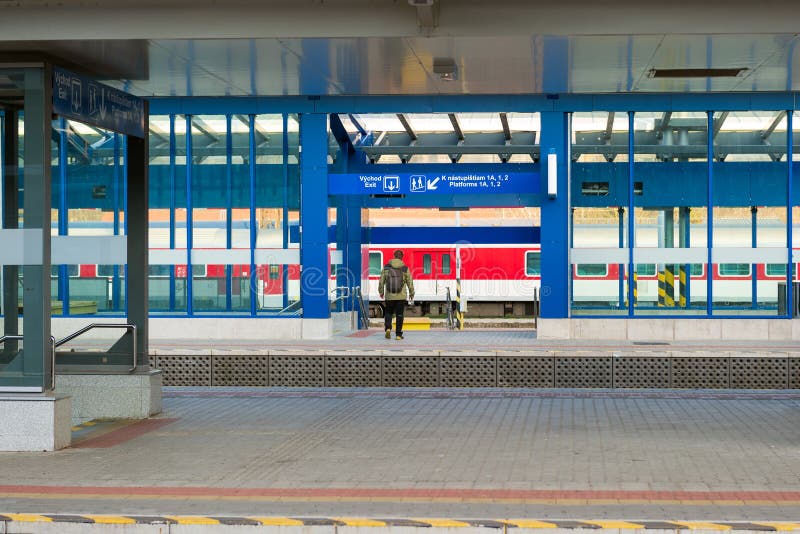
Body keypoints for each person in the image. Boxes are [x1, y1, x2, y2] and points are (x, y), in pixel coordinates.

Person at [378, 249, 415, 340]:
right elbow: (409, 281)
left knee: (388, 313)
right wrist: (411, 293)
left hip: (389, 295)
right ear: (402, 257)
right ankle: (398, 334)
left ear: (394, 256)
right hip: (401, 296)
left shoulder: (386, 267)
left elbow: (381, 281)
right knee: (399, 314)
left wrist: (381, 291)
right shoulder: (405, 268)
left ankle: (388, 329)